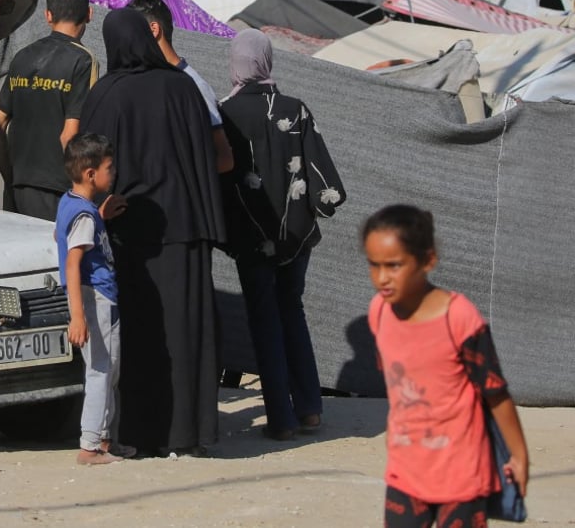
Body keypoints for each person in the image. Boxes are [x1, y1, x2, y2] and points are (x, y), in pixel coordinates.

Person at [80, 8, 226, 456]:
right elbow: (208, 158)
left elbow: (88, 165)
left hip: (131, 234)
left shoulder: (106, 94)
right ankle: (193, 435)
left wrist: (96, 211)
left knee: (142, 338)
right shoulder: (182, 88)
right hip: (186, 230)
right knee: (187, 332)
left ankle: (140, 436)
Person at [363, 204, 529, 528]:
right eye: (374, 265)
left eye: (394, 265)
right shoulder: (378, 313)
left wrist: (519, 455)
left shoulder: (459, 317)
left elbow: (495, 392)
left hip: (461, 474)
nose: (382, 277)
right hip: (405, 471)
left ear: (428, 260)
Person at [218, 28, 346, 440]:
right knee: (292, 309)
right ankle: (309, 408)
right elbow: (323, 178)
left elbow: (218, 179)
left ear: (235, 63)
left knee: (264, 318)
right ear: (267, 60)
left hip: (250, 235)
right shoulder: (295, 109)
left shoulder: (221, 114)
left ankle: (281, 418)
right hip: (295, 233)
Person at [0, 0, 97, 221]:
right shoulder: (84, 61)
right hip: (58, 192)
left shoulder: (22, 57)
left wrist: (10, 177)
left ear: (48, 15)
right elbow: (70, 136)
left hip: (17, 187)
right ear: (89, 14)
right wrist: (83, 191)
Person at [54, 133, 131, 465]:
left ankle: (104, 440)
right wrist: (78, 316)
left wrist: (101, 214)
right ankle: (90, 445)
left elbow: (61, 235)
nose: (112, 173)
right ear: (90, 174)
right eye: (108, 168)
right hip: (95, 297)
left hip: (97, 297)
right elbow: (73, 262)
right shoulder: (83, 216)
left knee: (109, 368)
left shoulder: (74, 205)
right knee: (101, 369)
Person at [129, 0, 234, 173]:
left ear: (154, 29)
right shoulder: (143, 82)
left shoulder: (193, 84)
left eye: (133, 32)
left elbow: (224, 159)